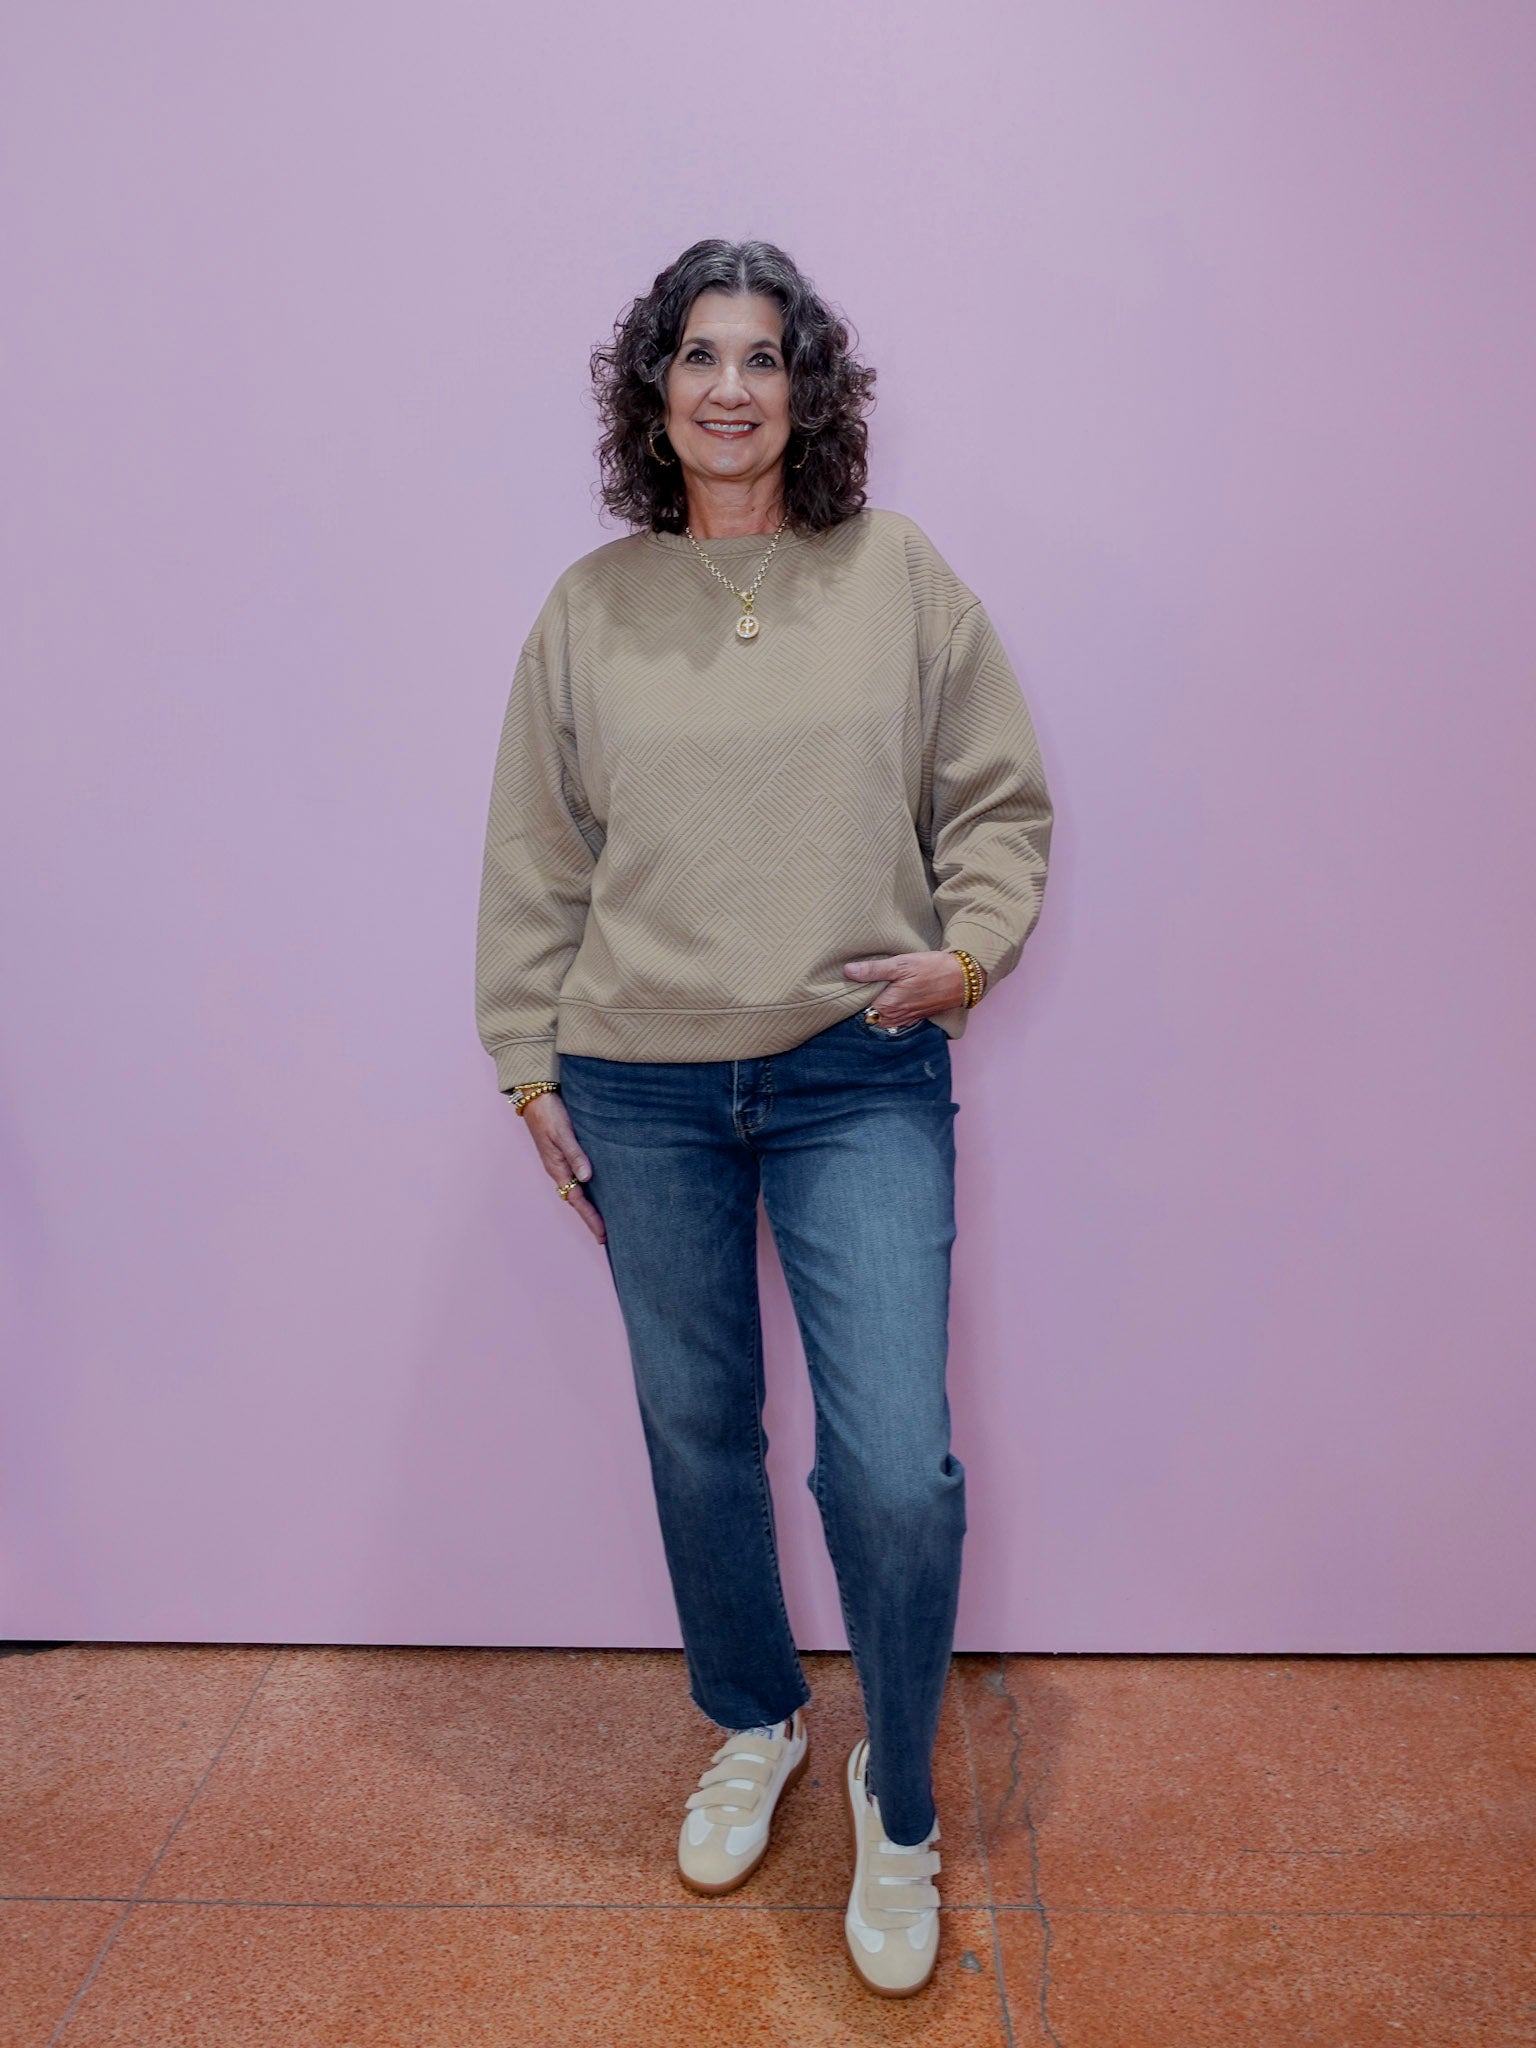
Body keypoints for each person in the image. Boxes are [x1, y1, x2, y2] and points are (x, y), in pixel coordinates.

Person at [474, 237, 1053, 1998]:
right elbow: (536, 854)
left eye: (766, 356)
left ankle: (897, 1793)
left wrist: (968, 953)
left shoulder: (899, 578)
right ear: (654, 391)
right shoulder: (589, 608)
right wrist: (526, 1057)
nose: (731, 386)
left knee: (892, 1464)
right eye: (699, 355)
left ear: (811, 392)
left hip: (853, 1067)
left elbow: (1002, 800)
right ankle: (753, 1719)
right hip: (638, 1081)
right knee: (697, 1430)